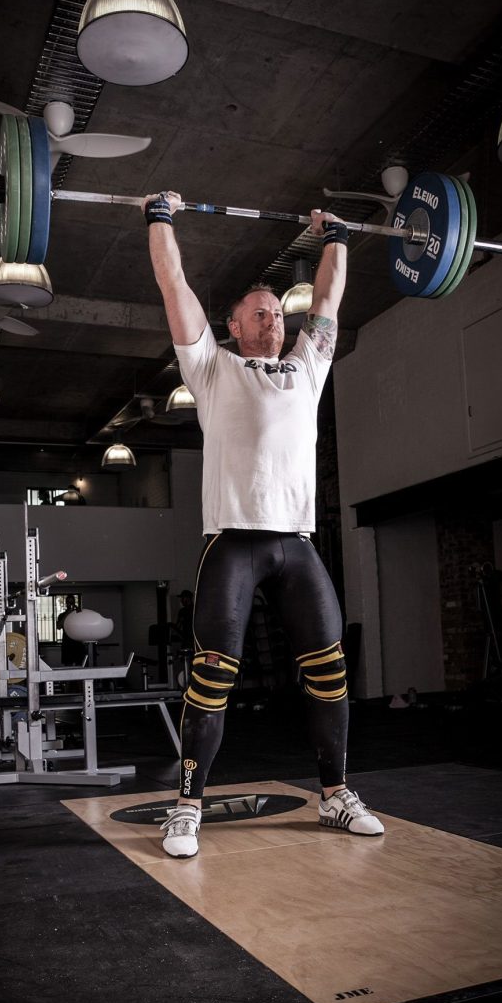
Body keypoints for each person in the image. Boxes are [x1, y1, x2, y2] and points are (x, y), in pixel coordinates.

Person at [142, 189, 384, 858]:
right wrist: (160, 217)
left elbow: (329, 299)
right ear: (234, 323)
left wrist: (335, 234)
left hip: (295, 542)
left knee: (330, 668)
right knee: (212, 673)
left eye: (278, 312)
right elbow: (173, 283)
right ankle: (187, 806)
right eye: (260, 313)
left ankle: (335, 794)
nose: (273, 320)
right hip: (235, 542)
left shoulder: (307, 366)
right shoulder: (211, 367)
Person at [56, 595, 86, 667]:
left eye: (72, 602)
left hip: (78, 643)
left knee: (79, 665)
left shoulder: (79, 614)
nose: (70, 604)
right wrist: (68, 613)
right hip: (67, 644)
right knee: (68, 666)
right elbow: (58, 626)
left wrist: (79, 613)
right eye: (68, 602)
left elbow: (85, 625)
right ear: (66, 603)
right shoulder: (62, 615)